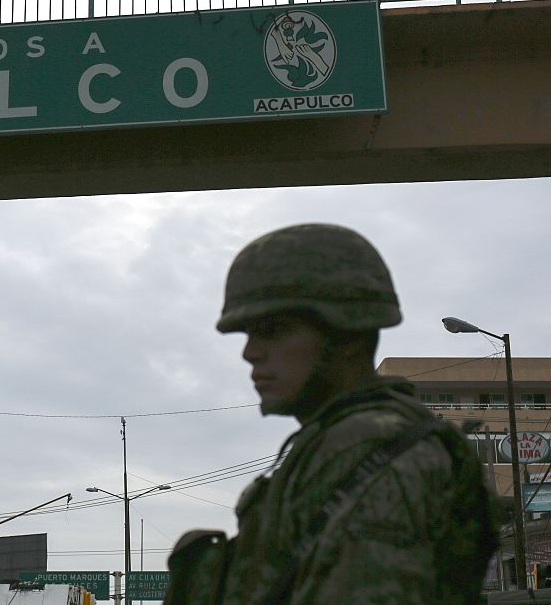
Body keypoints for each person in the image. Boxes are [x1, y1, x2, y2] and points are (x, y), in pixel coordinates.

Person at [167, 223, 499, 605]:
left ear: (348, 337)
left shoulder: (376, 451)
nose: (250, 352)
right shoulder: (339, 446)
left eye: (273, 330)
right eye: (248, 334)